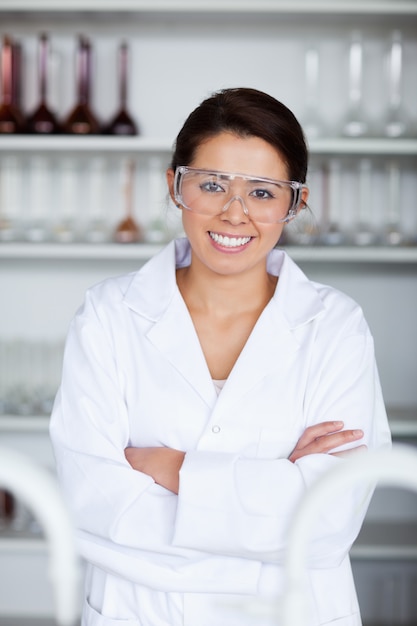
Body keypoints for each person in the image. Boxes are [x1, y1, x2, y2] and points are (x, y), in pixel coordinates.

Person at [50, 87, 391, 626]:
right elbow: (96, 507)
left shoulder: (336, 326)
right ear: (175, 187)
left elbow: (329, 521)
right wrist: (276, 494)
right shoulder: (108, 315)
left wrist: (176, 470)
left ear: (295, 203)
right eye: (211, 185)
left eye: (262, 192)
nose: (235, 214)